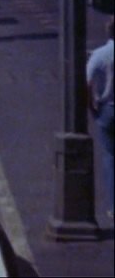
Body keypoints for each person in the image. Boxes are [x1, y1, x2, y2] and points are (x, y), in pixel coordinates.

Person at [86, 16, 114, 220]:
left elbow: (87, 82)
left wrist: (92, 106)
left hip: (108, 110)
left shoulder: (100, 55)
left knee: (110, 158)